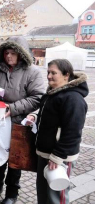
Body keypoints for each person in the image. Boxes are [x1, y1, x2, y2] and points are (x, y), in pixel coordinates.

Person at [0, 36, 45, 204]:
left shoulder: (32, 72)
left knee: (15, 158)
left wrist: (12, 108)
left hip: (18, 121)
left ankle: (12, 193)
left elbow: (38, 97)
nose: (8, 56)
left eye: (13, 53)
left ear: (22, 54)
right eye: (6, 53)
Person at [35, 59, 88, 204]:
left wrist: (58, 156)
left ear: (66, 75)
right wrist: (34, 116)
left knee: (56, 197)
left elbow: (73, 132)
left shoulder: (73, 98)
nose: (49, 76)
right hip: (46, 153)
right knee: (43, 194)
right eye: (48, 72)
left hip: (59, 157)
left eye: (53, 73)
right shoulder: (53, 93)